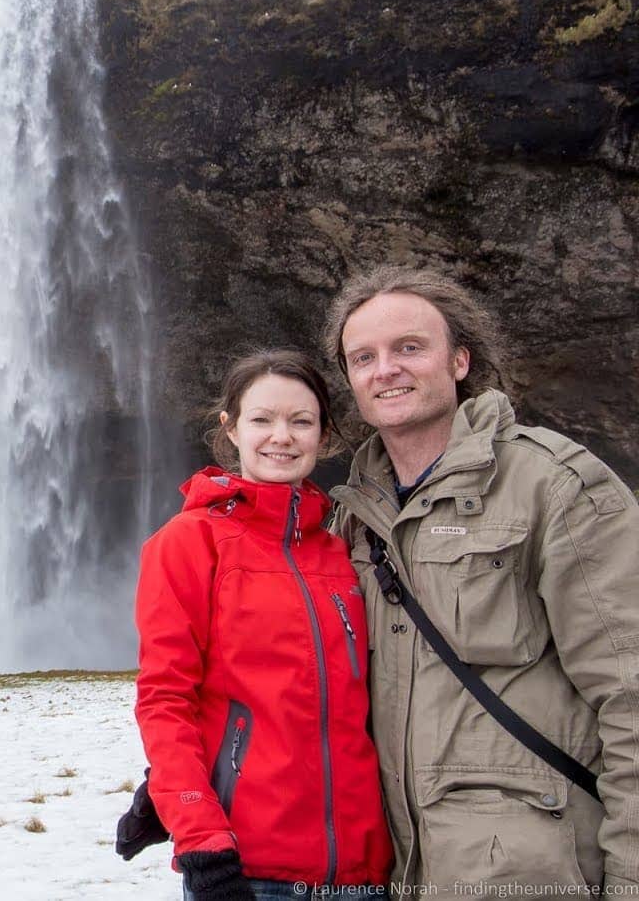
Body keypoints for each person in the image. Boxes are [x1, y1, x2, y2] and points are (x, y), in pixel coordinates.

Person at [323, 265, 639, 894]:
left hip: (531, 872)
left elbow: (630, 691)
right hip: (391, 872)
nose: (385, 369)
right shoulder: (351, 517)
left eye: (409, 348)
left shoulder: (554, 485)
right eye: (364, 357)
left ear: (460, 361)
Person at [135, 350, 393, 900]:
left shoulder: (344, 552)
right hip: (249, 872)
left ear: (324, 437)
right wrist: (197, 832)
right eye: (262, 419)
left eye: (301, 421)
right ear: (229, 429)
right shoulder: (189, 542)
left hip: (368, 872)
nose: (282, 436)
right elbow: (165, 698)